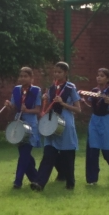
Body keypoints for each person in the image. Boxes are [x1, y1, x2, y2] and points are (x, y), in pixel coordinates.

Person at [30, 62, 81, 191]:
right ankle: (39, 183)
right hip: (51, 122)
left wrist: (63, 103)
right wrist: (45, 100)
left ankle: (70, 182)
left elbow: (78, 109)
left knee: (67, 155)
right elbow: (48, 107)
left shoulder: (70, 88)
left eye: (59, 72)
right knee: (48, 154)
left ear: (66, 73)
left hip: (65, 124)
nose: (56, 74)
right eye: (55, 72)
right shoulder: (51, 88)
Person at [80, 68, 109, 184]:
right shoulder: (94, 91)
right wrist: (84, 103)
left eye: (102, 76)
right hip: (95, 120)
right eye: (98, 75)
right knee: (92, 150)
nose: (99, 77)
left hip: (107, 120)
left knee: (108, 150)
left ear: (108, 78)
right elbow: (93, 107)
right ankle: (92, 179)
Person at [4, 67, 41, 189]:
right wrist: (9, 105)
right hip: (18, 124)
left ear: (31, 78)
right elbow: (14, 107)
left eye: (26, 76)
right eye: (21, 76)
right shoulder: (16, 90)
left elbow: (38, 110)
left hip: (31, 125)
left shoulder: (36, 91)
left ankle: (18, 181)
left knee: (24, 154)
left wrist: (27, 110)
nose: (23, 78)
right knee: (25, 155)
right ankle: (36, 178)